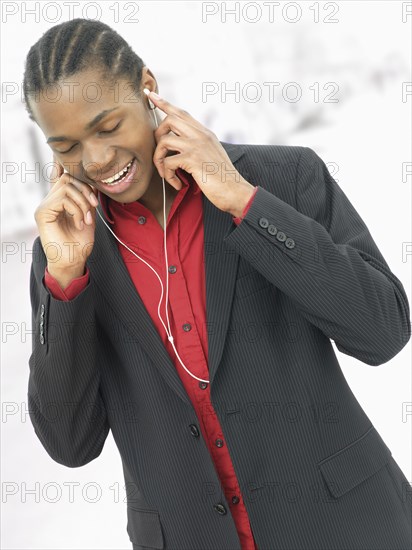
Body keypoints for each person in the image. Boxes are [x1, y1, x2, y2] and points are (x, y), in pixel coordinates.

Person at [25, 18, 411, 550]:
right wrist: (65, 281)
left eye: (108, 126)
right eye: (67, 145)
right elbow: (70, 443)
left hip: (345, 529)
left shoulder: (283, 178)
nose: (95, 160)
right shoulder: (66, 252)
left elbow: (382, 332)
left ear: (148, 88)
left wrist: (243, 203)